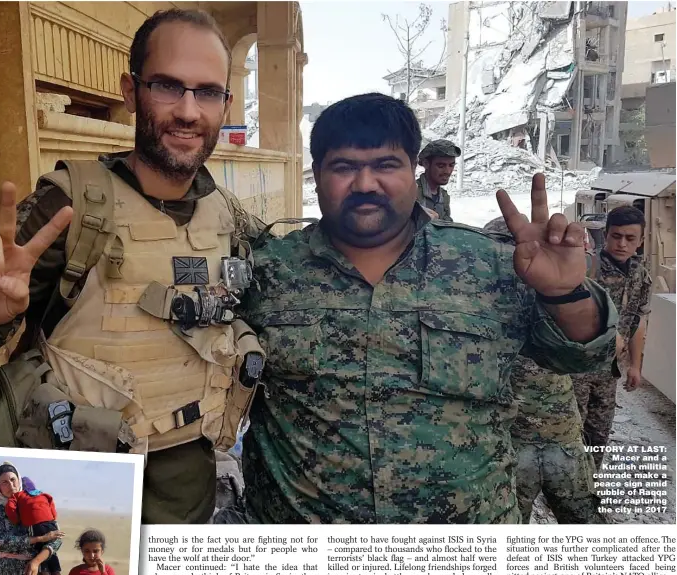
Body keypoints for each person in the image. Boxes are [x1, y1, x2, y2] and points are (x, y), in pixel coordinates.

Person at [0, 9, 265, 525]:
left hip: (189, 497)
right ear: (130, 90)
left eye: (207, 92)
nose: (188, 110)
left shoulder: (227, 215)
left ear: (226, 104)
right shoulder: (72, 205)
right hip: (79, 495)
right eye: (167, 86)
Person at [241, 92, 617, 524]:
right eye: (344, 167)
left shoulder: (489, 263)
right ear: (317, 175)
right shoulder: (266, 273)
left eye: (386, 165)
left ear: (412, 170)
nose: (365, 184)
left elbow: (584, 355)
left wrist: (563, 293)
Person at [482, 217, 602, 524]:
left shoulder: (555, 293)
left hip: (559, 438)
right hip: (514, 443)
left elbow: (594, 351)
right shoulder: (480, 307)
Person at [571, 206, 652, 463]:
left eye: (630, 238)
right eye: (616, 236)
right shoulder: (587, 269)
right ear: (606, 235)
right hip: (577, 370)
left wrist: (635, 367)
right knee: (572, 435)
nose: (622, 244)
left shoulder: (640, 275)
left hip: (609, 372)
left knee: (598, 437)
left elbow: (636, 321)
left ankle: (590, 488)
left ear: (640, 242)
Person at [5, 476, 62, 575]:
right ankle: (57, 574)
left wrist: (17, 519)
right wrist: (52, 519)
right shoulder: (44, 494)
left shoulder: (19, 495)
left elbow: (10, 508)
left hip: (35, 525)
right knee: (50, 550)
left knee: (39, 549)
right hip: (51, 524)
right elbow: (52, 506)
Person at [416, 139, 461, 222]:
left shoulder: (444, 196)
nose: (447, 171)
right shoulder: (410, 192)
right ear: (426, 164)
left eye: (451, 165)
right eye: (441, 166)